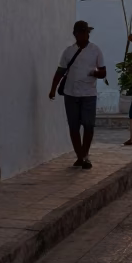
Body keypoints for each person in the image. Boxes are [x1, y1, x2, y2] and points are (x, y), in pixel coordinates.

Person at [49, 20, 106, 170]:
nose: (82, 35)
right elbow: (60, 72)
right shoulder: (68, 52)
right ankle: (80, 156)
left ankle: (85, 154)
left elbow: (103, 72)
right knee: (73, 126)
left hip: (89, 94)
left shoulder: (95, 50)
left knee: (88, 125)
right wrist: (53, 89)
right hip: (71, 94)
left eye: (84, 32)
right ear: (75, 34)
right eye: (79, 33)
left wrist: (94, 73)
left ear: (88, 33)